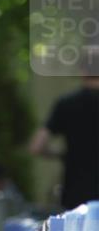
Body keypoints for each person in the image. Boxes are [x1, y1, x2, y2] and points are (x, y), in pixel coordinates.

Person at [29, 66, 99, 211]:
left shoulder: (66, 103)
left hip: (76, 191)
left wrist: (61, 154)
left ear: (83, 73)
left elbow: (37, 146)